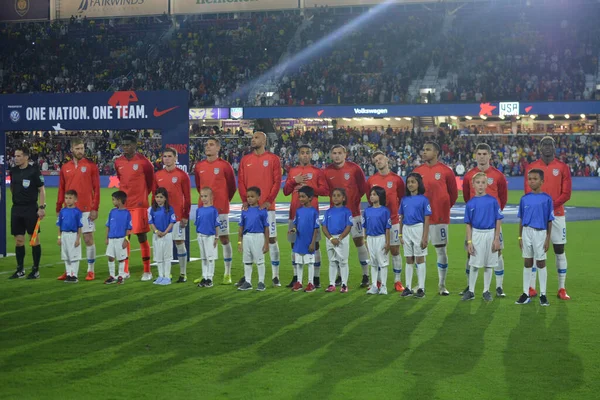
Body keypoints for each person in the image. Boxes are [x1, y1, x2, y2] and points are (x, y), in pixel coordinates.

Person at [525, 136, 572, 300]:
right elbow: (528, 192)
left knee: (559, 250)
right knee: (534, 251)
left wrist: (549, 206)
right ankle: (531, 287)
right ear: (539, 147)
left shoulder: (562, 167)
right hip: (536, 217)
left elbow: (566, 193)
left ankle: (561, 288)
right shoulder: (532, 167)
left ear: (554, 147)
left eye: (550, 144)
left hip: (557, 215)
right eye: (543, 144)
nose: (547, 147)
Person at [461, 143, 508, 297]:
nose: (481, 156)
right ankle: (470, 287)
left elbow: (503, 198)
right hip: (476, 224)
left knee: (497, 252)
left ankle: (499, 287)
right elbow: (468, 198)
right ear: (475, 155)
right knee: (471, 253)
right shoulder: (469, 176)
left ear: (489, 155)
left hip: (492, 223)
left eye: (484, 154)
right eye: (479, 154)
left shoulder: (498, 175)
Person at [237, 132, 282, 287]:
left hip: (267, 208)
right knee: (247, 237)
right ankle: (247, 276)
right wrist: (245, 200)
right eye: (252, 138)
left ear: (264, 140)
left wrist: (269, 201)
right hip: (250, 208)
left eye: (256, 137)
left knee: (271, 239)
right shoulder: (245, 160)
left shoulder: (273, 159)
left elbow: (277, 182)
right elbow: (241, 181)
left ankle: (275, 276)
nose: (253, 140)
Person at [414, 141, 458, 296]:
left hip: (439, 218)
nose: (424, 152)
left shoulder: (446, 171)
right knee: (418, 251)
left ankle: (442, 285)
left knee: (441, 250)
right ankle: (419, 285)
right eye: (423, 149)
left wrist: (443, 207)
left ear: (437, 153)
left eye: (428, 150)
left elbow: (453, 195)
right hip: (420, 220)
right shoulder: (417, 171)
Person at [324, 145, 370, 287]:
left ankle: (366, 275)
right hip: (335, 215)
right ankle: (339, 276)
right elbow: (324, 190)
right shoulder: (327, 171)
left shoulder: (354, 168)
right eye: (334, 153)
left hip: (354, 213)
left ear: (345, 154)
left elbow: (363, 188)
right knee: (336, 244)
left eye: (339, 153)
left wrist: (355, 201)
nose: (337, 156)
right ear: (331, 155)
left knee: (359, 242)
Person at [283, 144, 328, 288]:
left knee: (314, 244)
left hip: (311, 215)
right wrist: (293, 181)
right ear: (298, 155)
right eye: (302, 153)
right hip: (294, 213)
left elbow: (325, 190)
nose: (305, 155)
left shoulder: (317, 171)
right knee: (294, 244)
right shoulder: (293, 171)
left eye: (307, 153)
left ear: (311, 155)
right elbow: (285, 191)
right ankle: (297, 277)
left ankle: (315, 278)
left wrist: (308, 189)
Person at [56, 137, 100, 281]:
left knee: (87, 238)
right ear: (72, 150)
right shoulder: (65, 167)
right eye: (78, 149)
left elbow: (97, 188)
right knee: (68, 241)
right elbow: (61, 188)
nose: (81, 151)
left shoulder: (91, 165)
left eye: (82, 148)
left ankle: (90, 270)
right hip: (68, 210)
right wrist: (58, 206)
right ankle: (69, 271)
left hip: (86, 208)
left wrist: (95, 208)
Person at [194, 138, 236, 284]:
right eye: (206, 144)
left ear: (218, 148)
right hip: (204, 209)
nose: (208, 147)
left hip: (220, 209)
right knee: (203, 240)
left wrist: (224, 201)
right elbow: (199, 187)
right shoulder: (199, 166)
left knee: (224, 239)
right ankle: (205, 274)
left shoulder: (225, 166)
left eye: (211, 144)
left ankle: (227, 273)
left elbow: (232, 187)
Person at [114, 134, 154, 281]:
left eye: (128, 145)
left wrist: (142, 196)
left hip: (139, 206)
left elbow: (150, 183)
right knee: (124, 237)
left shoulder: (144, 162)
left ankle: (147, 271)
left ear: (135, 145)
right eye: (123, 145)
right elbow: (121, 178)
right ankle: (125, 270)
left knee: (141, 237)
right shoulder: (118, 162)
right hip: (124, 206)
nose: (125, 147)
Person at [367, 151, 405, 292]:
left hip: (393, 220)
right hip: (377, 223)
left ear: (387, 159)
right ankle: (377, 282)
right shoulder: (371, 180)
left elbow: (402, 198)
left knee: (395, 250)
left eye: (380, 158)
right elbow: (370, 199)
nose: (378, 161)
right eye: (375, 160)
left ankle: (397, 281)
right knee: (377, 253)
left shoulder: (396, 179)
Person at [516, 169, 554, 306]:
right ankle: (526, 293)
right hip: (526, 232)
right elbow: (521, 219)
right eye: (530, 179)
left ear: (542, 181)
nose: (532, 181)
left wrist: (547, 238)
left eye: (535, 179)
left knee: (541, 263)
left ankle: (543, 294)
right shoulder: (524, 199)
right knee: (527, 262)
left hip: (540, 233)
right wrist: (520, 237)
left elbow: (549, 220)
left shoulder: (547, 199)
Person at [8, 147, 46, 280]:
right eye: (15, 156)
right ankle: (20, 270)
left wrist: (41, 207)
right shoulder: (13, 171)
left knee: (34, 239)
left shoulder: (34, 171)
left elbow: (41, 190)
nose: (16, 158)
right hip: (17, 209)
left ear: (26, 157)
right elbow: (12, 187)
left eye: (19, 156)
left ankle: (35, 270)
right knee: (19, 240)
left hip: (31, 209)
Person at [155, 148, 191, 283]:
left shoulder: (182, 175)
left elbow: (187, 197)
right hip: (162, 217)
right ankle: (166, 273)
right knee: (164, 245)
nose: (167, 159)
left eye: (170, 156)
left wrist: (185, 215)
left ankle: (183, 273)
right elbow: (155, 196)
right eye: (165, 156)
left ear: (176, 158)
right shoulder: (158, 175)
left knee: (179, 242)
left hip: (177, 216)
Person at [399, 173, 431, 298]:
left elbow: (427, 219)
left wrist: (425, 236)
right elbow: (401, 217)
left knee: (419, 258)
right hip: (407, 229)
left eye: (413, 182)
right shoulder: (404, 200)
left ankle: (421, 288)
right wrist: (401, 234)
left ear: (419, 184)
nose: (410, 184)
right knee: (408, 259)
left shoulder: (424, 200)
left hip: (418, 228)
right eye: (408, 182)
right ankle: (407, 287)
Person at [237, 187, 270, 292]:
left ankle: (261, 282)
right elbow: (241, 228)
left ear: (258, 197)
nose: (249, 199)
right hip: (247, 237)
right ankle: (248, 282)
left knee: (259, 261)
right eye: (248, 197)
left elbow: (266, 228)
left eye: (252, 196)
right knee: (247, 261)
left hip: (258, 237)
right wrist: (239, 242)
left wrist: (266, 243)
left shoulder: (262, 211)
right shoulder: (244, 211)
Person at [289, 186, 320, 293]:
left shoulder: (314, 212)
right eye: (299, 197)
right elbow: (296, 225)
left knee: (310, 263)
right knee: (299, 262)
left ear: (310, 198)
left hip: (308, 242)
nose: (301, 199)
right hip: (299, 241)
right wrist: (293, 230)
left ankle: (311, 283)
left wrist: (312, 243)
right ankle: (299, 282)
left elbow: (316, 229)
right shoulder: (298, 211)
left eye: (303, 197)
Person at [322, 188, 353, 293]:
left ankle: (344, 284)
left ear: (343, 198)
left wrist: (339, 238)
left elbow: (348, 227)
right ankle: (331, 284)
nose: (335, 197)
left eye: (338, 195)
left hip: (342, 239)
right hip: (330, 239)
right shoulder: (328, 212)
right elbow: (324, 227)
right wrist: (331, 238)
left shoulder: (347, 211)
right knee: (332, 262)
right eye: (334, 195)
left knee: (343, 262)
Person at [363, 187, 392, 295]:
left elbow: (387, 228)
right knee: (373, 263)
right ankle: (374, 286)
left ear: (380, 196)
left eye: (374, 194)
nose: (371, 196)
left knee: (383, 263)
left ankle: (383, 286)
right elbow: (364, 226)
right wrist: (365, 239)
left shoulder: (385, 211)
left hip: (381, 238)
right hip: (370, 239)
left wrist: (387, 242)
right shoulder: (367, 210)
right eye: (371, 194)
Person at [148, 187, 176, 286]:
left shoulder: (169, 209)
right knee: (158, 257)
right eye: (157, 197)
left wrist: (165, 232)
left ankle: (167, 277)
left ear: (165, 198)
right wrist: (156, 231)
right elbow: (151, 222)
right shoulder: (152, 209)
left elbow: (172, 222)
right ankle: (160, 276)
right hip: (156, 236)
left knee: (167, 257)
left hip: (167, 235)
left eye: (161, 197)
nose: (158, 199)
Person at [104, 191, 132, 285]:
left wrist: (126, 240)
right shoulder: (112, 211)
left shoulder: (127, 213)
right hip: (111, 238)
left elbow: (128, 228)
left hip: (121, 239)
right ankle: (112, 276)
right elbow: (108, 225)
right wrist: (107, 237)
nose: (112, 201)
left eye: (113, 199)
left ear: (119, 201)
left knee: (121, 258)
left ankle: (120, 276)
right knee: (110, 257)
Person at [195, 187, 221, 288]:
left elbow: (216, 225)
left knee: (210, 258)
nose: (203, 198)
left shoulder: (214, 210)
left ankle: (210, 278)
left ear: (211, 197)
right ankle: (204, 277)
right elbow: (198, 224)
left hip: (210, 236)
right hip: (200, 236)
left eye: (206, 196)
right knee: (203, 258)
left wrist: (216, 237)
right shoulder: (199, 210)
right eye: (202, 196)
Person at [56, 190, 83, 283]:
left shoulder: (78, 212)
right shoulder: (62, 211)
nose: (68, 200)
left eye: (70, 198)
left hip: (73, 235)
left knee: (74, 256)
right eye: (66, 198)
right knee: (66, 256)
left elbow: (79, 226)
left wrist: (78, 239)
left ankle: (74, 275)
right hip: (64, 235)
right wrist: (59, 237)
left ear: (75, 199)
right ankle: (68, 274)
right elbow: (59, 225)